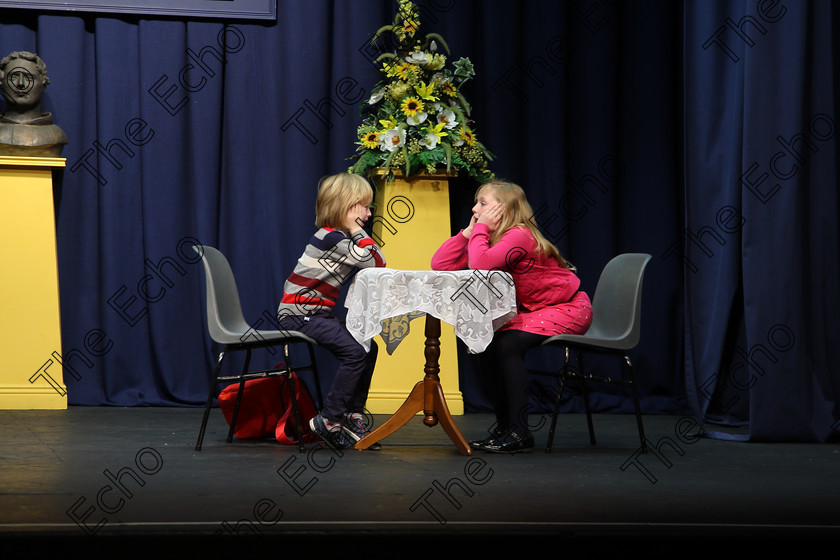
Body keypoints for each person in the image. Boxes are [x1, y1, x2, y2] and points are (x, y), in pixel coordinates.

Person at [431, 180, 592, 453]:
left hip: (569, 308)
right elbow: (441, 265)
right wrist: (469, 232)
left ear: (502, 209)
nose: (474, 208)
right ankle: (505, 428)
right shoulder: (493, 237)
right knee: (486, 343)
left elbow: (480, 265)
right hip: (539, 309)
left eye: (482, 203)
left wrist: (479, 230)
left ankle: (519, 433)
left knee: (506, 344)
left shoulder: (519, 235)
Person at [277, 172, 386, 450]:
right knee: (355, 352)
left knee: (367, 347)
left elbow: (375, 260)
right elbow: (375, 261)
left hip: (316, 314)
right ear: (345, 206)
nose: (369, 211)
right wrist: (357, 230)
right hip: (300, 315)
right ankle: (329, 419)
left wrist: (355, 231)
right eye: (363, 205)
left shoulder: (339, 238)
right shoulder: (331, 238)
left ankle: (351, 415)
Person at [0, 51, 68, 156]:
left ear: (44, 83)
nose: (21, 84)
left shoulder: (55, 136)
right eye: (14, 77)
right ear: (2, 83)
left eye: (29, 78)